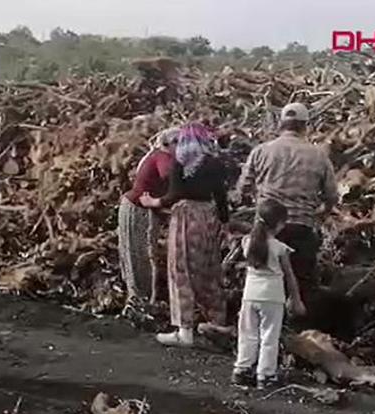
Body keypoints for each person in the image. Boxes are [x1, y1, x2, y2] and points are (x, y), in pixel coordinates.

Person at [236, 102, 338, 295]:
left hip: (267, 227)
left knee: (265, 280)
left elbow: (242, 188)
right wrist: (321, 213)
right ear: (305, 126)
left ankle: (268, 322)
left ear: (281, 124)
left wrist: (260, 199)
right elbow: (332, 196)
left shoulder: (261, 151)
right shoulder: (319, 155)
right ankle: (301, 323)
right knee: (302, 283)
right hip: (302, 226)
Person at [143, 122, 230, 347]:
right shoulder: (215, 163)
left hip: (186, 217)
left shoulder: (180, 162)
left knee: (180, 270)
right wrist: (225, 222)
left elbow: (175, 193)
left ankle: (185, 330)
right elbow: (221, 196)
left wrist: (154, 201)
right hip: (208, 216)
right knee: (209, 269)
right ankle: (217, 323)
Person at [232, 199, 306, 390]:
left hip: (250, 294)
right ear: (279, 224)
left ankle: (242, 369)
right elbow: (289, 276)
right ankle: (265, 375)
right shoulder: (279, 248)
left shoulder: (247, 242)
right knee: (269, 336)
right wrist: (296, 299)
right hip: (272, 296)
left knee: (247, 333)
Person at [118, 127, 179, 318]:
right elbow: (168, 175)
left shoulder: (157, 155)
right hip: (138, 209)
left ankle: (139, 300)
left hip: (140, 208)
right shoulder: (163, 157)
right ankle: (140, 302)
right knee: (140, 254)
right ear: (169, 144)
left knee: (139, 253)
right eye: (179, 142)